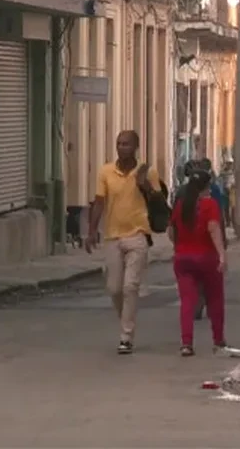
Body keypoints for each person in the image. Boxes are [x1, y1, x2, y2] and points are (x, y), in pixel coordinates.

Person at [86, 130, 164, 355]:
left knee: (131, 286)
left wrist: (148, 187)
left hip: (138, 235)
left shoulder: (147, 172)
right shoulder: (106, 171)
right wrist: (92, 231)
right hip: (112, 237)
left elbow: (159, 203)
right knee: (114, 288)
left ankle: (126, 336)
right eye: (119, 143)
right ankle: (126, 321)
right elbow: (99, 202)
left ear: (136, 147)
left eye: (127, 144)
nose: (122, 147)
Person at [168, 169, 228, 356]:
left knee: (187, 301)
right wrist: (222, 254)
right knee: (215, 299)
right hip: (206, 258)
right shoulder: (210, 205)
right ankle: (218, 341)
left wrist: (180, 246)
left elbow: (171, 231)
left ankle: (187, 343)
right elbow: (213, 228)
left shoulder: (181, 205)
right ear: (206, 187)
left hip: (183, 259)